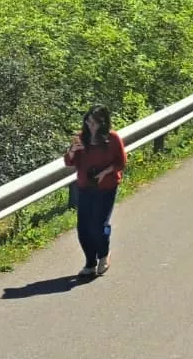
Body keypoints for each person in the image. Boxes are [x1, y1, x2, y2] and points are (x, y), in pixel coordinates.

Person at [64, 105, 126, 277]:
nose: (91, 126)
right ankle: (90, 263)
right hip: (85, 187)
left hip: (106, 187)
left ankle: (104, 255)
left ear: (103, 122)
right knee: (83, 228)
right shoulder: (80, 138)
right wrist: (72, 151)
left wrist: (105, 172)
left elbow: (121, 162)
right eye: (88, 121)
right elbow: (69, 162)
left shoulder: (112, 139)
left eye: (95, 122)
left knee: (99, 226)